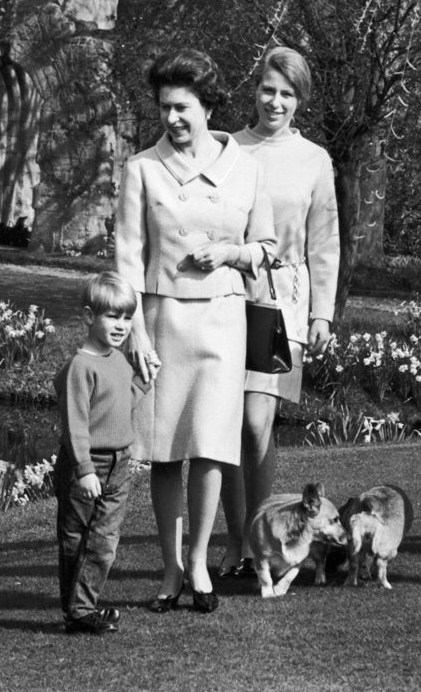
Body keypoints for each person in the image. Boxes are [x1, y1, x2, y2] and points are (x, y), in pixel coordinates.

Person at [114, 48, 276, 614]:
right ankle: (169, 569)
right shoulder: (141, 169)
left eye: (182, 107)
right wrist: (133, 330)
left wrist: (233, 252)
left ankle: (202, 563)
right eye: (164, 108)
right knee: (163, 451)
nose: (172, 119)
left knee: (209, 447)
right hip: (161, 321)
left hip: (222, 322)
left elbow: (269, 249)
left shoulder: (246, 167)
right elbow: (128, 259)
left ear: (209, 105)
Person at [218, 47, 339, 577]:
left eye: (287, 93)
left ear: (300, 100)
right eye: (269, 89)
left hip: (283, 301)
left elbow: (325, 242)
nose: (276, 101)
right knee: (222, 423)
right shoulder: (227, 148)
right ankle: (236, 542)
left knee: (256, 422)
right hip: (226, 295)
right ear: (256, 90)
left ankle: (257, 538)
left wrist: (322, 313)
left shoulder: (314, 159)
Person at [53, 271, 151, 635]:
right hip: (88, 464)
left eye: (127, 317)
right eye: (112, 316)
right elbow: (75, 423)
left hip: (119, 463)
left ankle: (82, 607)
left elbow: (122, 405)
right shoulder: (81, 366)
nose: (121, 325)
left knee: (105, 539)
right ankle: (79, 610)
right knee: (77, 536)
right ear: (88, 316)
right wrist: (83, 469)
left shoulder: (118, 359)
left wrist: (145, 380)